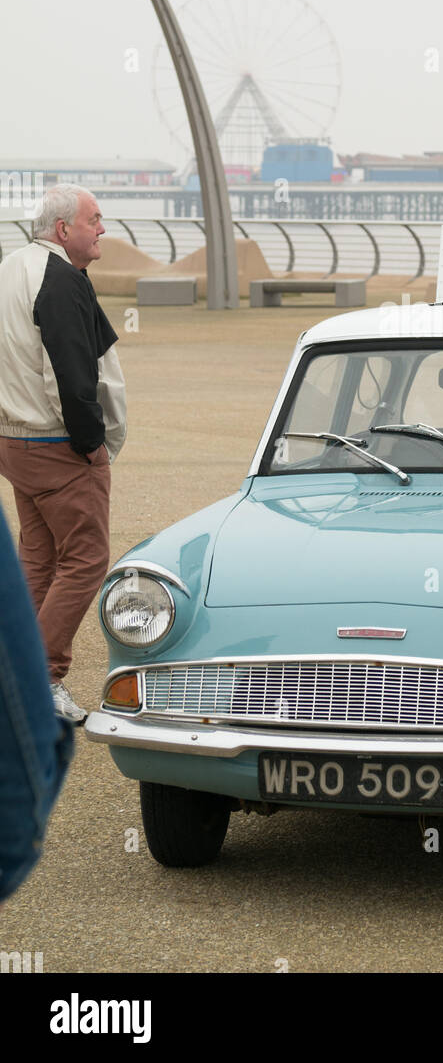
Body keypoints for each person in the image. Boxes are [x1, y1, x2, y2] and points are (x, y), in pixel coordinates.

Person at [0, 183, 126, 724]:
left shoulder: (10, 268)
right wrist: (92, 443)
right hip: (55, 443)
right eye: (94, 219)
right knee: (86, 559)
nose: (102, 229)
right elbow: (73, 377)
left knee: (40, 556)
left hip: (14, 440)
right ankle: (40, 682)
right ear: (62, 229)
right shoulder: (60, 280)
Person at [0, 508, 75, 902]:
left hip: (15, 450)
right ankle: (48, 676)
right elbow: (9, 838)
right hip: (66, 452)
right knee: (87, 556)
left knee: (38, 552)